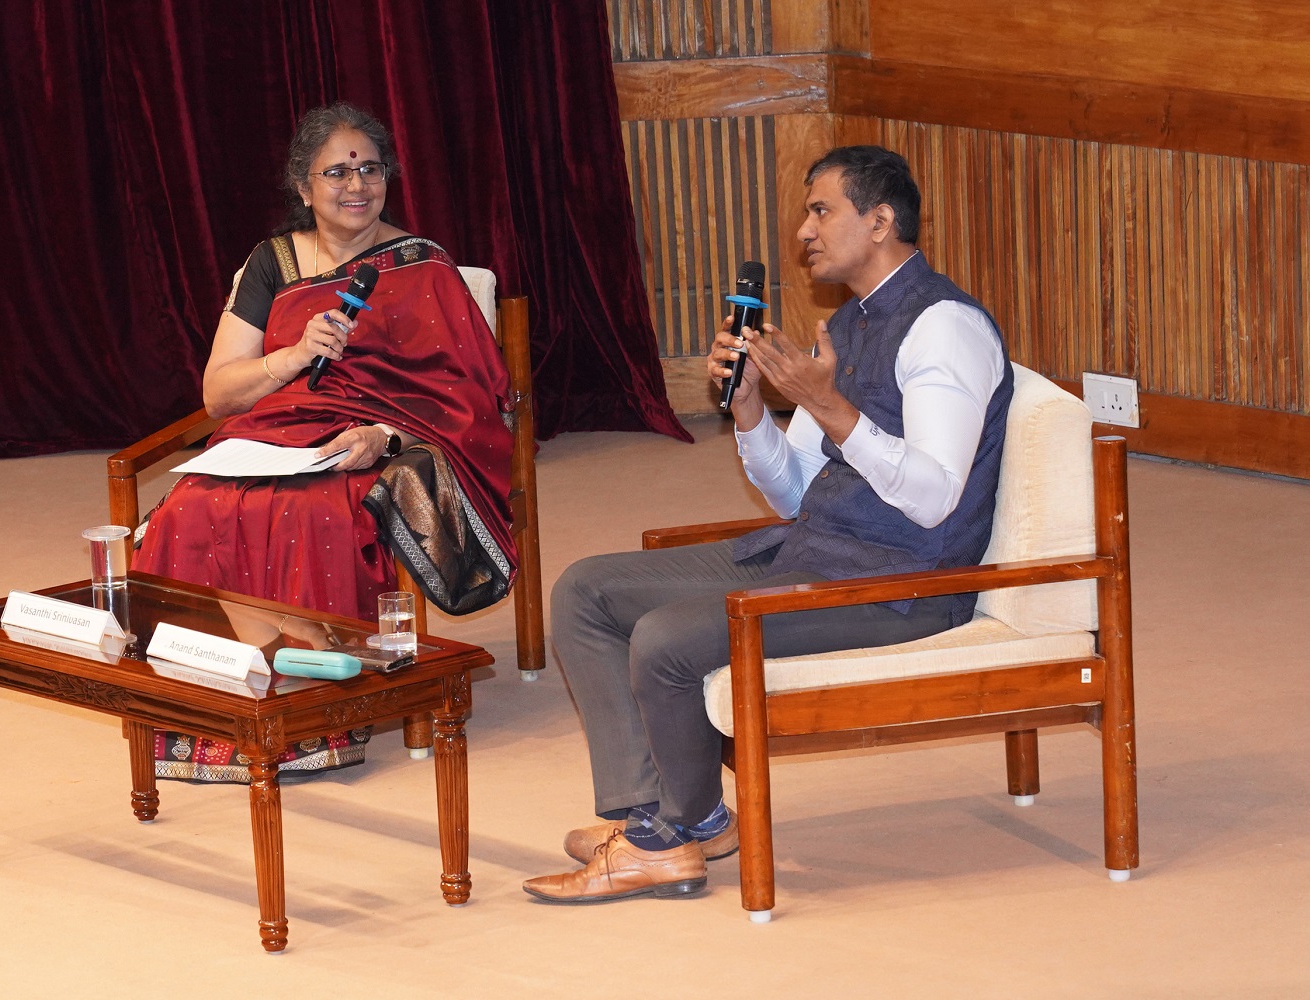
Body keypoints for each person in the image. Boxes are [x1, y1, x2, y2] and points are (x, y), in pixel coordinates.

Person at [523, 145, 1014, 902]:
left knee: (666, 640)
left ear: (880, 220)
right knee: (586, 591)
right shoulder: (849, 325)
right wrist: (754, 409)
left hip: (899, 582)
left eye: (821, 210)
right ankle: (677, 817)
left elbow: (935, 499)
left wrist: (828, 407)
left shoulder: (943, 327)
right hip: (813, 546)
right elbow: (797, 493)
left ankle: (666, 840)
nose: (803, 231)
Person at [133, 103, 517, 784]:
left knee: (314, 514)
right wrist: (289, 358)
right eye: (335, 172)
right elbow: (219, 396)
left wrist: (384, 435)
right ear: (303, 188)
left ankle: (313, 709)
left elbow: (469, 394)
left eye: (369, 168)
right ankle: (221, 705)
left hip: (365, 442)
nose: (356, 184)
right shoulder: (270, 263)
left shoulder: (420, 266)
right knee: (192, 506)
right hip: (273, 433)